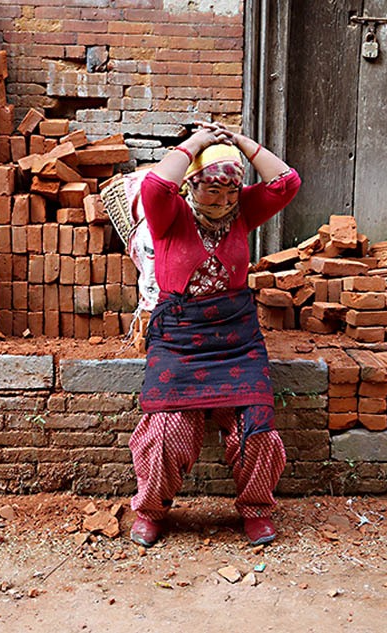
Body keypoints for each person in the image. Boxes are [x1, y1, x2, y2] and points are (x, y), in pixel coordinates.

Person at [129, 121, 301, 547]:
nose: (224, 201)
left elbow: (286, 183)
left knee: (256, 429)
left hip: (236, 338)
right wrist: (198, 142)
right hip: (179, 338)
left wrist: (239, 141)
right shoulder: (169, 214)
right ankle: (151, 511)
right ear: (191, 185)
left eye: (231, 192)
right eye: (213, 191)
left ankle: (257, 509)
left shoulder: (243, 212)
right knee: (165, 431)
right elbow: (155, 185)